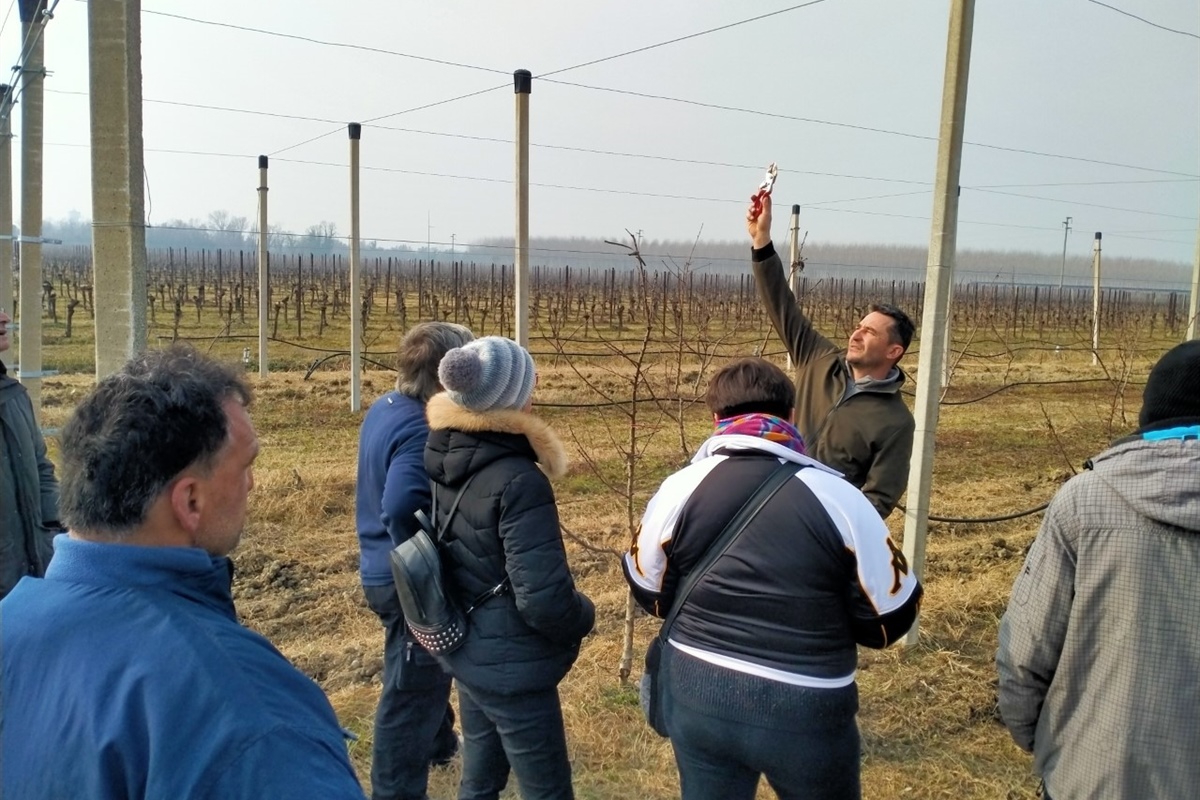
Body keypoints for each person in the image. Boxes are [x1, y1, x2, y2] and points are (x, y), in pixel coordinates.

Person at [0, 345, 365, 800]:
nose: (250, 484)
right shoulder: (248, 716)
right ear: (190, 501)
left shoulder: (10, 624)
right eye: (246, 465)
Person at [623, 357, 922, 800]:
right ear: (793, 416)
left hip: (698, 691)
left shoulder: (679, 487)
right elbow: (890, 619)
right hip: (807, 707)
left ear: (715, 420)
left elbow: (647, 587)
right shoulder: (841, 498)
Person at [996, 340, 1200, 800]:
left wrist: (1049, 745)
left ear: (1149, 415)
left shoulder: (1085, 501)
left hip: (1094, 775)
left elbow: (1025, 652)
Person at [424, 335, 595, 800]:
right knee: (547, 790)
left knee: (479, 781)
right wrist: (585, 615)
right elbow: (542, 599)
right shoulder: (519, 480)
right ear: (510, 396)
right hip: (514, 668)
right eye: (529, 380)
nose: (536, 388)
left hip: (470, 651)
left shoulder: (445, 455)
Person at [355, 321, 473, 800]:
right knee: (411, 688)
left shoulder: (386, 406)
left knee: (429, 663)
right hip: (404, 579)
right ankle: (395, 790)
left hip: (378, 561)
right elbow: (401, 503)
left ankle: (440, 745)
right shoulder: (421, 423)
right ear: (447, 375)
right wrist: (423, 557)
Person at [747, 194, 915, 517]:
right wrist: (762, 241)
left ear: (894, 352)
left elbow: (877, 502)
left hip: (817, 524)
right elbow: (782, 305)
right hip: (767, 498)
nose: (857, 334)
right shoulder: (818, 359)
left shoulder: (896, 422)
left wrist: (829, 531)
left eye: (871, 332)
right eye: (859, 326)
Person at [0, 308, 61, 600]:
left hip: (30, 578)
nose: (4, 318)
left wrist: (54, 529)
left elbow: (42, 469)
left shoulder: (14, 395)